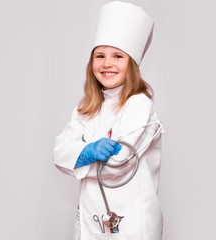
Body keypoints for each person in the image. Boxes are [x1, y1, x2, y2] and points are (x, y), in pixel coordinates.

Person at [53, 1, 164, 239]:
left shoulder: (139, 105)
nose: (107, 64)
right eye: (100, 55)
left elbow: (120, 165)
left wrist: (78, 158)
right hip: (90, 223)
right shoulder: (85, 109)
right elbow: (59, 154)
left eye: (117, 56)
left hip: (132, 226)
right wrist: (87, 152)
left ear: (131, 64)